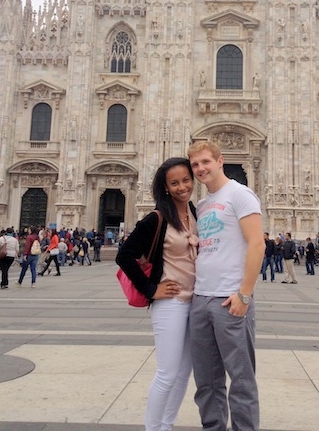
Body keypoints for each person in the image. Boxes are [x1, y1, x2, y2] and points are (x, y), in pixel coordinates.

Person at [187, 140, 265, 431]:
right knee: (206, 380)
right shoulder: (204, 204)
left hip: (230, 300)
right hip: (201, 298)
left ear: (220, 161)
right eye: (195, 164)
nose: (200, 169)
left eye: (205, 162)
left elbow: (257, 244)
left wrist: (244, 294)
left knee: (241, 379)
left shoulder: (241, 194)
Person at [116, 157, 198, 431]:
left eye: (185, 180)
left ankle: (166, 425)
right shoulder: (156, 218)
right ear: (164, 187)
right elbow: (124, 256)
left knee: (184, 372)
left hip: (194, 301)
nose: (182, 186)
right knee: (167, 373)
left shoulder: (194, 212)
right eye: (174, 183)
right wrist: (151, 289)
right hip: (171, 303)